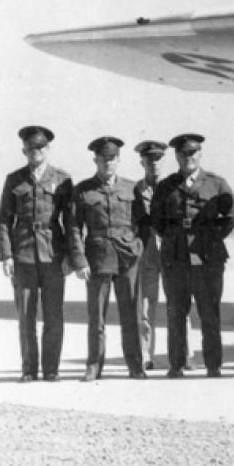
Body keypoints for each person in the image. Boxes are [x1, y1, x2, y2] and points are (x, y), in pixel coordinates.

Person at [151, 134, 234, 378]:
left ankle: (213, 365)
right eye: (183, 154)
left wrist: (211, 238)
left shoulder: (216, 184)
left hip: (207, 256)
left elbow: (231, 217)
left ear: (200, 154)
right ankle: (176, 365)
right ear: (177, 156)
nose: (188, 158)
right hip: (176, 257)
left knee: (209, 311)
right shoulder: (166, 186)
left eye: (192, 153)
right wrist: (174, 238)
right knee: (176, 313)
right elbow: (157, 220)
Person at [0, 125, 73, 382]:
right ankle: (29, 369)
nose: (35, 151)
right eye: (30, 148)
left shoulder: (62, 179)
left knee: (54, 315)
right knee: (26, 316)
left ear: (47, 149)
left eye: (40, 147)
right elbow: (4, 220)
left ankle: (51, 369)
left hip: (53, 255)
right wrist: (7, 255)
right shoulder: (14, 180)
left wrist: (70, 256)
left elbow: (70, 221)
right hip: (24, 255)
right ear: (24, 151)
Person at [68, 136, 145, 381]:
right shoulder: (83, 190)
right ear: (96, 161)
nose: (107, 163)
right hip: (97, 258)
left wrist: (138, 247)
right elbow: (74, 227)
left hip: (127, 258)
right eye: (103, 159)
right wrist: (80, 261)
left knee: (130, 314)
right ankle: (94, 365)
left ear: (118, 160)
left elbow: (144, 222)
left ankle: (135, 365)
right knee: (96, 316)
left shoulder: (132, 188)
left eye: (112, 159)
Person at [134, 139, 201, 369]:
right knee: (145, 305)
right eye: (149, 160)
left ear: (164, 160)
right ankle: (145, 355)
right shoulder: (136, 190)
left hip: (173, 251)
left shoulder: (175, 186)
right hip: (148, 252)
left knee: (179, 303)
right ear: (142, 162)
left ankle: (186, 354)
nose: (154, 164)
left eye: (158, 159)